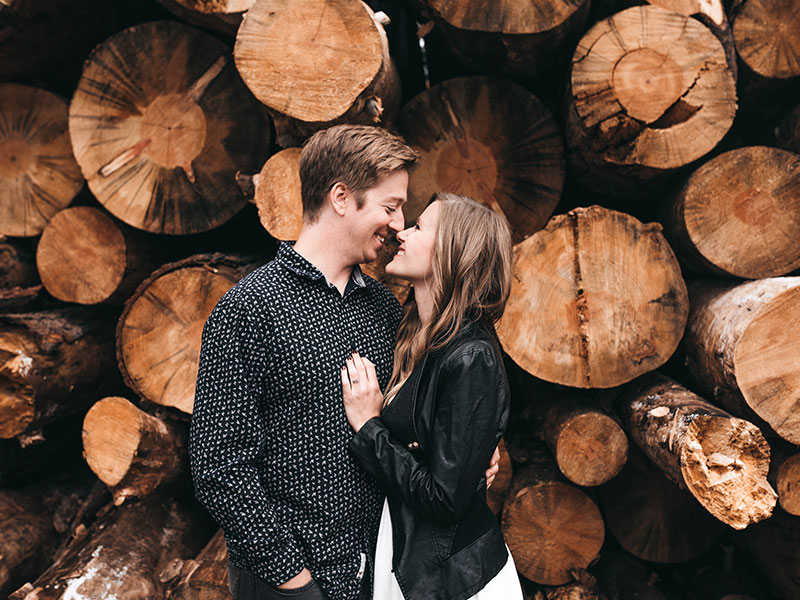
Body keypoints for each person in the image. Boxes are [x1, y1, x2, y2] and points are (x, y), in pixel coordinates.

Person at [189, 126, 498, 600]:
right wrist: (293, 581)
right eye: (390, 206)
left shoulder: (385, 309)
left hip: (377, 576)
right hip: (290, 583)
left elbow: (416, 418)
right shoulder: (250, 308)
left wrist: (475, 452)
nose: (398, 224)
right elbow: (220, 465)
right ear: (340, 197)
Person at [341, 194, 523, 600]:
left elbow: (444, 499)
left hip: (454, 581)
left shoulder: (471, 355)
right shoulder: (416, 338)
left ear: (452, 253)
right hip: (411, 561)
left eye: (419, 227)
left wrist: (369, 427)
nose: (401, 233)